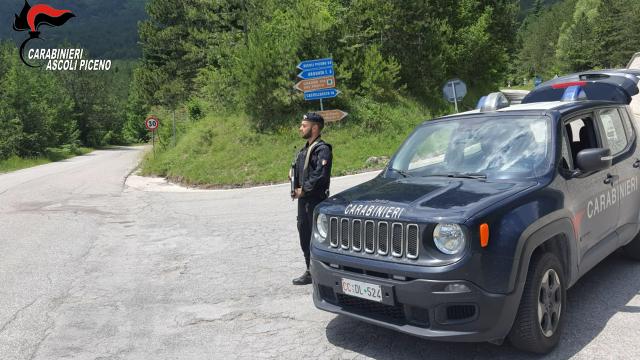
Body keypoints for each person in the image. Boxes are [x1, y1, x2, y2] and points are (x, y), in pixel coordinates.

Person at [290, 112, 332, 285]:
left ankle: (323, 272)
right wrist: (292, 175)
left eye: (304, 125)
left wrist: (304, 190)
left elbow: (319, 175)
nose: (301, 128)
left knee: (318, 237)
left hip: (314, 200)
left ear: (314, 128)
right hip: (303, 201)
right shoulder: (305, 149)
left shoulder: (323, 149)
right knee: (304, 235)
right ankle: (310, 270)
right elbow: (301, 170)